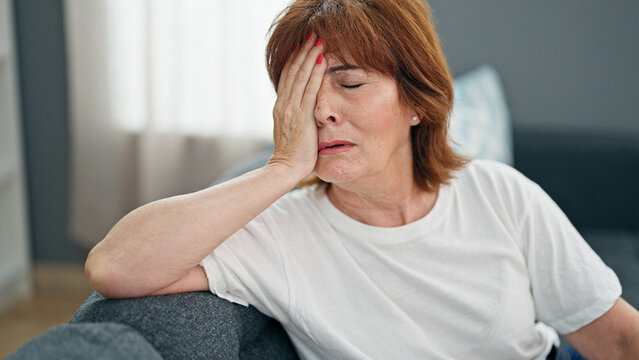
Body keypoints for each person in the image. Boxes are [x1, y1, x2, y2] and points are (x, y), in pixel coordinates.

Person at [84, 0, 639, 359]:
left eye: (349, 85)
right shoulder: (279, 233)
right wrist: (282, 169)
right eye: (305, 92)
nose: (322, 112)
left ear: (417, 102)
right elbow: (114, 266)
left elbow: (616, 338)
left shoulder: (500, 194)